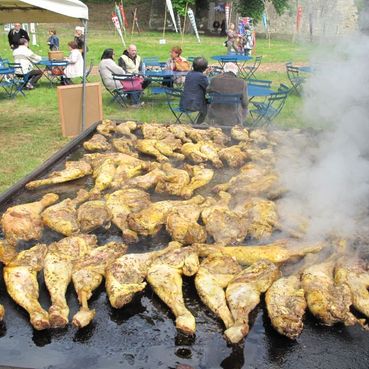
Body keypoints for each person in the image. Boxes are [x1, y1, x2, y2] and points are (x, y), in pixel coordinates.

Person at [180, 57, 209, 124]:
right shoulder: (202, 77)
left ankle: (200, 124)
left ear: (193, 66)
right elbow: (208, 88)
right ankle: (199, 124)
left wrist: (205, 75)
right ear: (205, 68)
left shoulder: (189, 74)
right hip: (194, 105)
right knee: (209, 105)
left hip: (184, 103)